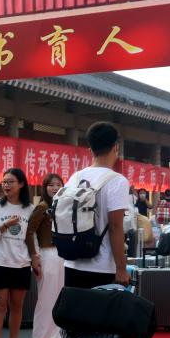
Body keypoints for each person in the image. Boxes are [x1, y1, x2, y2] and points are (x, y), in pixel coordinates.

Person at [62, 122, 131, 290]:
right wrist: (121, 268)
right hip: (101, 266)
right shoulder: (117, 181)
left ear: (90, 150)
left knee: (76, 307)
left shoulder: (75, 178)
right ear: (116, 147)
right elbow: (115, 227)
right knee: (101, 308)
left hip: (72, 262)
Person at [0, 168, 34, 338]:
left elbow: (32, 238)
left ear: (21, 184)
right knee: (1, 305)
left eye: (10, 181)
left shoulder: (29, 209)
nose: (6, 185)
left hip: (21, 263)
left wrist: (35, 258)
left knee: (17, 305)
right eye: (4, 182)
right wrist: (5, 226)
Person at [26, 173, 65, 338]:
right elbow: (29, 232)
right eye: (51, 185)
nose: (55, 188)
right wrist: (34, 256)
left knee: (58, 300)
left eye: (58, 184)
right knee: (46, 300)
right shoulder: (42, 207)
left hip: (62, 255)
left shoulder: (62, 207)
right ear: (45, 187)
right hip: (47, 254)